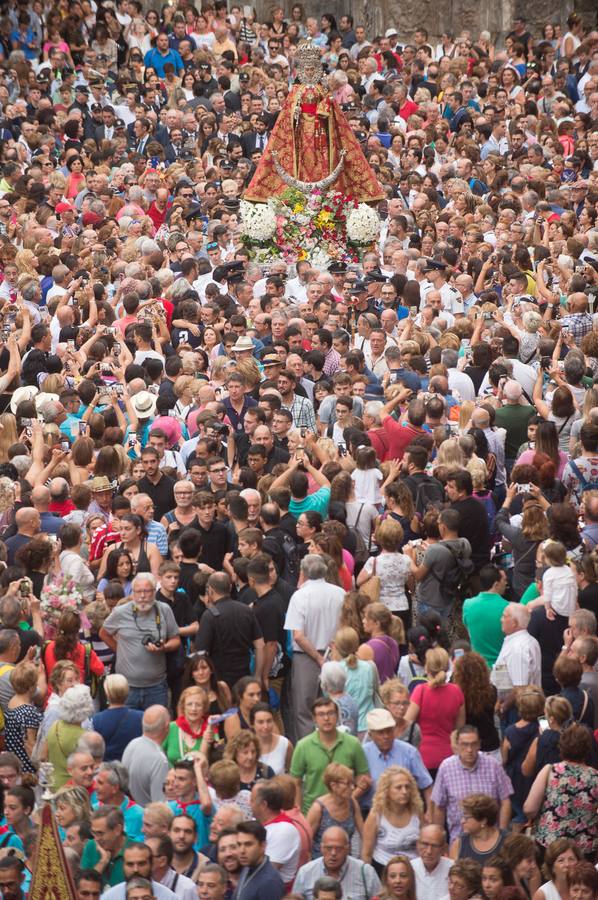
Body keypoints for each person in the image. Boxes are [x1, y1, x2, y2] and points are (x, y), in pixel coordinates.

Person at [284, 556, 345, 739]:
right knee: (335, 704)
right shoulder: (340, 593)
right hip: (334, 653)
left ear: (303, 572)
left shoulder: (300, 596)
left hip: (307, 657)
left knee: (304, 709)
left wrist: (319, 659)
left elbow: (298, 635)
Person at [100, 574, 181, 711]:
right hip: (127, 687)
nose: (142, 596)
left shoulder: (164, 609)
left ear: (154, 592)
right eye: (138, 591)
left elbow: (176, 640)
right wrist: (120, 651)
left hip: (156, 687)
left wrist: (163, 648)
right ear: (132, 593)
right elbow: (104, 633)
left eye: (147, 591)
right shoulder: (120, 612)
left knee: (157, 729)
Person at [524, 723, 598, 857]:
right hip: (583, 850)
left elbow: (530, 808)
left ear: (562, 746)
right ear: (587, 748)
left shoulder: (550, 771)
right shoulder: (595, 777)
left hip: (551, 847)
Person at [289, 696, 371, 815]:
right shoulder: (303, 746)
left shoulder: (353, 743)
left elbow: (364, 778)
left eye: (330, 713)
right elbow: (295, 783)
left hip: (345, 812)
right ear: (314, 719)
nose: (326, 718)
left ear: (337, 715)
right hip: (312, 812)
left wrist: (350, 798)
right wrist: (298, 812)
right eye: (321, 714)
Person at [431, 726, 513, 843]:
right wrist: (439, 841)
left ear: (479, 744)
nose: (469, 749)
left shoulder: (493, 765)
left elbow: (505, 801)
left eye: (473, 744)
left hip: (490, 838)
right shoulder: (446, 767)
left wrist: (502, 834)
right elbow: (439, 806)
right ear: (458, 745)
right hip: (459, 838)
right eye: (464, 745)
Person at [194, 573, 265, 689]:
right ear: (230, 587)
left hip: (219, 679)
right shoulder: (247, 610)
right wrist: (257, 675)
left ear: (210, 590)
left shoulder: (209, 616)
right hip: (244, 676)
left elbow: (201, 652)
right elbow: (260, 645)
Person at [404, 648, 465, 777]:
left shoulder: (420, 691)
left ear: (426, 668)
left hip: (423, 758)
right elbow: (459, 728)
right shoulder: (457, 692)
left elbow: (407, 723)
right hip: (449, 757)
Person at [292, 826, 381, 900]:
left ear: (348, 849)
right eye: (328, 848)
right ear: (321, 848)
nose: (333, 853)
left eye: (338, 849)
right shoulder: (305, 873)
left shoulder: (366, 873)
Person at [362, 766, 423, 870]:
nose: (404, 791)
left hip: (413, 870)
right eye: (398, 787)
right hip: (383, 870)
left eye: (407, 787)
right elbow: (366, 854)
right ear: (387, 790)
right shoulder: (376, 815)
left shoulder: (417, 812)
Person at [305, 762, 363, 858]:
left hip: (346, 862)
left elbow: (364, 834)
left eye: (352, 783)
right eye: (347, 784)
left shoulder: (352, 803)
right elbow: (306, 842)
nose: (352, 788)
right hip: (321, 862)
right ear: (333, 785)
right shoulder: (318, 808)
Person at [121, 706, 170, 807]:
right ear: (167, 727)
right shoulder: (160, 760)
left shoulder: (132, 744)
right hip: (146, 816)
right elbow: (159, 805)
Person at [233, 820, 285, 900]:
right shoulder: (247, 866)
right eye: (239, 844)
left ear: (263, 846)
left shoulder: (270, 883)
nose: (242, 851)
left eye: (248, 844)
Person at [412, 826, 454, 900]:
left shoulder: (454, 870)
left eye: (435, 846)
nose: (429, 851)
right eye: (425, 844)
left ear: (444, 848)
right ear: (417, 844)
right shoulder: (409, 869)